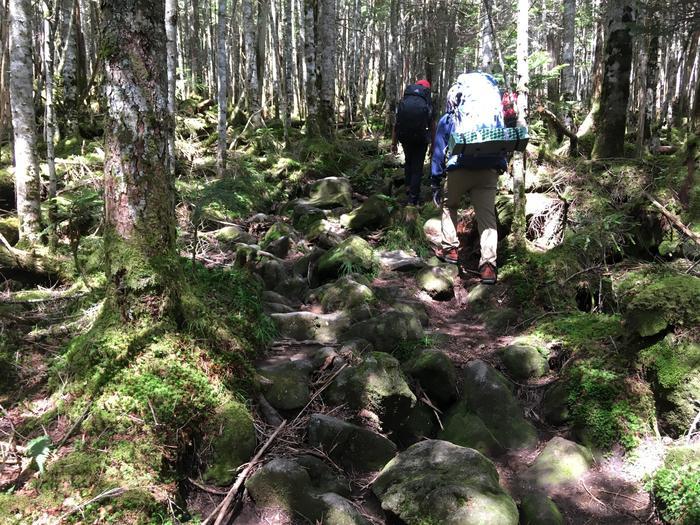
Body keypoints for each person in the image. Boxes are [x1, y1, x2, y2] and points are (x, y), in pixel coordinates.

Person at [430, 73, 507, 285]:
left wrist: (435, 180)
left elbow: (438, 151)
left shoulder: (450, 119)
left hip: (460, 167)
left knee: (449, 205)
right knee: (487, 219)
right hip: (489, 169)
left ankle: (451, 250)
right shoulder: (494, 116)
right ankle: (489, 267)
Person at [391, 79, 435, 205]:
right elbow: (432, 126)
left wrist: (393, 143)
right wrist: (433, 144)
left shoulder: (405, 100)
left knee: (408, 160)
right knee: (417, 167)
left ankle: (407, 187)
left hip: (404, 137)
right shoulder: (428, 102)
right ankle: (413, 199)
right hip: (421, 138)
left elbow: (396, 123)